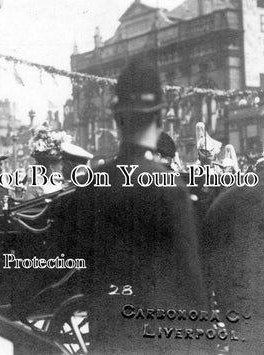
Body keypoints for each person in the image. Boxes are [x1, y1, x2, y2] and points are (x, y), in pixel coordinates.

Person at [74, 59, 207, 354]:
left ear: (116, 120)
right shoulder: (169, 186)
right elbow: (189, 279)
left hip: (108, 335)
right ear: (160, 118)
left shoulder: (93, 182)